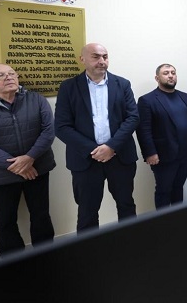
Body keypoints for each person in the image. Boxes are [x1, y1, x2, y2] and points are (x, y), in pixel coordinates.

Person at [0, 63, 55, 255]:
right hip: (1, 175)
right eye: (0, 75)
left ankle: (47, 259)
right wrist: (17, 165)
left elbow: (48, 131)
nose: (9, 77)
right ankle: (13, 265)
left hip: (37, 169)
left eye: (11, 74)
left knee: (41, 215)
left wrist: (29, 158)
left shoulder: (36, 99)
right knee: (6, 221)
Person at [55, 43, 139, 232]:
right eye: (96, 56)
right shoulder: (69, 87)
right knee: (87, 211)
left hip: (120, 157)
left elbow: (133, 118)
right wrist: (94, 150)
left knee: (126, 204)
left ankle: (132, 244)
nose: (102, 61)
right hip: (86, 160)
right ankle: (89, 249)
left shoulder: (122, 84)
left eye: (105, 56)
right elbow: (61, 127)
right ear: (82, 59)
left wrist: (111, 146)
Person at [137, 64, 187, 208]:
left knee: (178, 188)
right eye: (166, 73)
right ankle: (164, 221)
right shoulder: (147, 100)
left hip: (184, 154)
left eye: (173, 72)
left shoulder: (185, 97)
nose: (170, 75)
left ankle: (177, 218)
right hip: (163, 156)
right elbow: (143, 130)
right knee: (163, 191)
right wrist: (150, 153)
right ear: (157, 78)